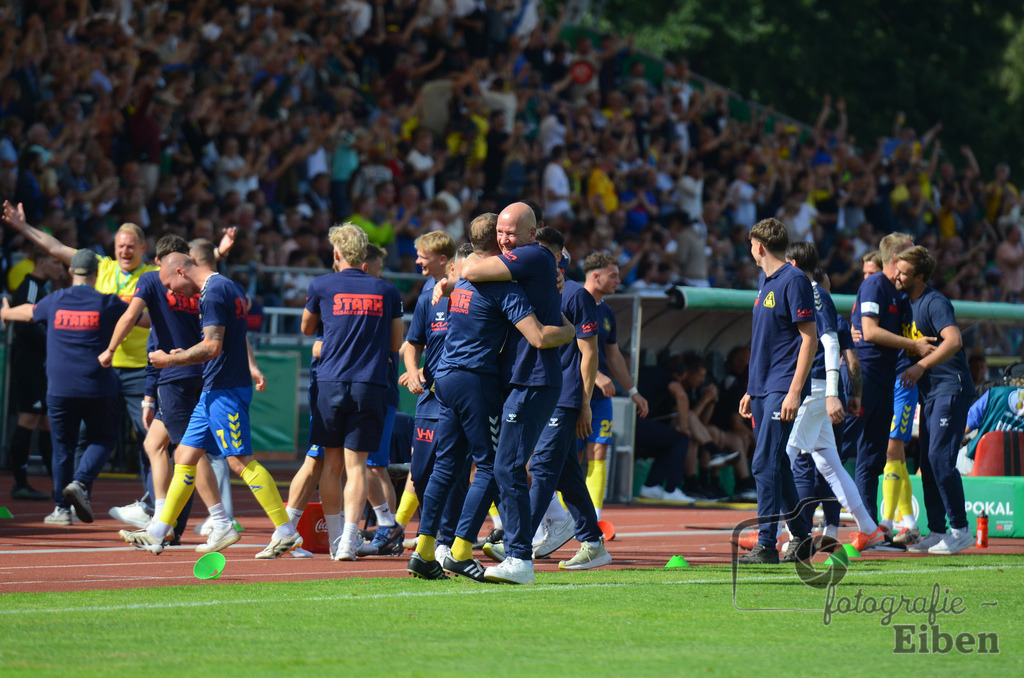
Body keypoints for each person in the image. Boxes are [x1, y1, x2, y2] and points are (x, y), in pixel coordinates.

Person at [408, 220, 572, 582]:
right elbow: (538, 336)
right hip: (475, 380)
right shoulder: (503, 287)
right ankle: (460, 552)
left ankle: (423, 551)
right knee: (490, 467)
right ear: (501, 249)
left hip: (444, 378)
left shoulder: (462, 280)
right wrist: (569, 328)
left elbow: (455, 281)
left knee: (445, 466)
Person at [119, 250, 300, 558]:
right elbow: (221, 343)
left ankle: (286, 531)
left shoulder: (213, 293)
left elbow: (213, 347)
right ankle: (159, 531)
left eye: (170, 285)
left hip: (225, 390)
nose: (173, 293)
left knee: (239, 461)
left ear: (181, 272)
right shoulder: (227, 286)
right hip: (213, 387)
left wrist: (170, 360)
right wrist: (186, 353)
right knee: (184, 456)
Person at [458, 202, 568, 584]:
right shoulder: (530, 265)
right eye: (500, 232)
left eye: (511, 233)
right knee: (509, 467)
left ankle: (520, 557)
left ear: (532, 234)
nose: (504, 240)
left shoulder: (533, 256)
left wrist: (567, 330)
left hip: (533, 378)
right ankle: (521, 549)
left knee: (508, 467)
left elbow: (470, 269)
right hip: (524, 378)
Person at [100, 235, 232, 553]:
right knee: (154, 443)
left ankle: (219, 520)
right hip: (197, 372)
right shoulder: (203, 284)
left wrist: (110, 348)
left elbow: (130, 316)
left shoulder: (150, 280)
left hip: (175, 376)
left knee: (190, 452)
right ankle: (162, 520)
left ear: (160, 261)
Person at [1, 250, 142, 524]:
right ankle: (81, 481)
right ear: (97, 275)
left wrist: (5, 312)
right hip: (98, 386)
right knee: (104, 438)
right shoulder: (107, 302)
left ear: (70, 273)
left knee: (63, 447)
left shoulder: (55, 300)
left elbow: (29, 313)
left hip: (59, 387)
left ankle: (62, 510)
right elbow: (140, 318)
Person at [301, 224, 403, 561]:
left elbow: (306, 328)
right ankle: (348, 541)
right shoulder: (387, 290)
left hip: (330, 382)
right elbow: (396, 343)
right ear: (365, 256)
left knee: (331, 466)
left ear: (336, 253)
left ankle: (335, 541)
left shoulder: (321, 285)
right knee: (357, 466)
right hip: (369, 384)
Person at [782, 242, 891, 551]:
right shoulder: (817, 295)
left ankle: (774, 533)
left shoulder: (812, 294)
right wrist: (849, 393)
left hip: (814, 389)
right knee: (830, 465)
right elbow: (850, 359)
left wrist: (832, 394)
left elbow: (830, 344)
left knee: (782, 460)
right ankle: (869, 528)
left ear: (793, 263)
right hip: (822, 390)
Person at [523, 228, 611, 570]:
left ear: (559, 258)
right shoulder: (533, 291)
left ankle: (517, 543)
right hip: (539, 392)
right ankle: (593, 543)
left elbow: (590, 353)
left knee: (542, 467)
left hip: (565, 397)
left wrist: (585, 403)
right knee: (566, 474)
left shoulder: (576, 295)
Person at [737, 218, 816, 564]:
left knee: (763, 462)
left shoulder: (794, 279)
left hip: (782, 386)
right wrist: (751, 389)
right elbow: (765, 342)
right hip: (763, 388)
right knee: (777, 463)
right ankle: (802, 536)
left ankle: (767, 543)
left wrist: (794, 391)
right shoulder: (765, 282)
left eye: (751, 245)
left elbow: (809, 338)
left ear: (759, 246)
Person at [847, 232, 934, 530]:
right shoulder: (875, 285)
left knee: (876, 455)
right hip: (869, 378)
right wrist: (914, 346)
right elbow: (869, 331)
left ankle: (872, 526)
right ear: (897, 259)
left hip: (890, 381)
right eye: (911, 252)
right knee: (844, 448)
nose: (916, 256)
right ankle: (808, 519)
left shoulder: (900, 292)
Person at [896, 246, 977, 555]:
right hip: (930, 393)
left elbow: (954, 340)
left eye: (903, 272)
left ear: (919, 276)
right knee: (929, 464)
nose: (897, 276)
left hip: (950, 387)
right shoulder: (905, 304)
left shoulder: (934, 302)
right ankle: (938, 530)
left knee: (941, 459)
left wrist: (921, 365)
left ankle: (960, 530)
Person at [398, 231, 463, 558]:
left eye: (423, 256)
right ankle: (433, 529)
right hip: (429, 399)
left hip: (460, 398)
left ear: (445, 261)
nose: (417, 261)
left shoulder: (472, 295)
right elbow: (412, 344)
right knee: (421, 471)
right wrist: (413, 371)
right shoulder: (427, 298)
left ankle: (447, 538)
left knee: (457, 471)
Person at [580, 252, 649, 519]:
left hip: (600, 400)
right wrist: (596, 375)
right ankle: (559, 521)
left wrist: (633, 391)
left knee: (599, 451)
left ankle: (594, 519)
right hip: (574, 395)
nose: (619, 281)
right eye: (613, 276)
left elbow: (614, 355)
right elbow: (568, 348)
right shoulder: (573, 302)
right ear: (596, 276)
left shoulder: (607, 312)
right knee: (570, 458)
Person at [7, 249, 63, 500]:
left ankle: (59, 484)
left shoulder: (44, 288)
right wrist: (55, 344)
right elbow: (26, 324)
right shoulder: (30, 286)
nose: (60, 268)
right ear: (40, 262)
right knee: (29, 418)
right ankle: (19, 483)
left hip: (42, 365)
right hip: (30, 364)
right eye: (55, 262)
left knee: (47, 421)